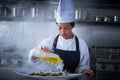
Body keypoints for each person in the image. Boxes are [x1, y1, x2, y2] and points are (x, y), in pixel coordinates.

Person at [29, 0, 95, 80]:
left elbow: (83, 66)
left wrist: (85, 71)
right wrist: (37, 54)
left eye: (66, 28)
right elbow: (33, 56)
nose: (62, 32)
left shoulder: (81, 44)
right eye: (60, 28)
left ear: (72, 26)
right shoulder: (50, 41)